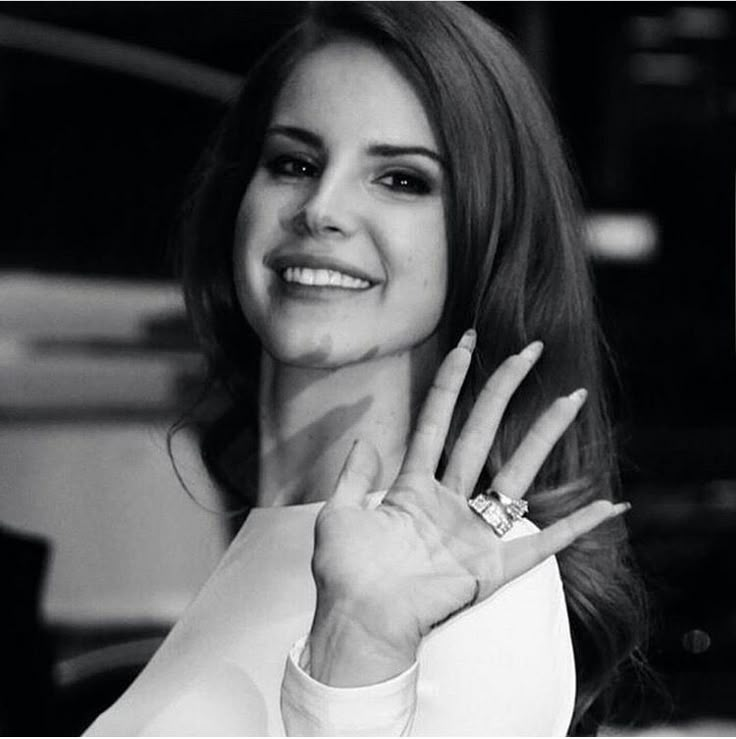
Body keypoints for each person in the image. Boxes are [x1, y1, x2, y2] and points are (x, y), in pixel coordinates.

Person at [86, 2, 645, 735]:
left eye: (402, 180)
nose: (321, 207)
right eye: (294, 163)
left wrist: (358, 654)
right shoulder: (264, 544)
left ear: (485, 235)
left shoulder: (474, 586)